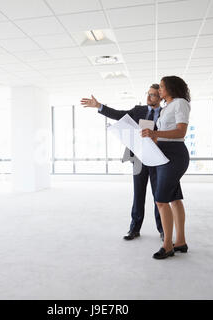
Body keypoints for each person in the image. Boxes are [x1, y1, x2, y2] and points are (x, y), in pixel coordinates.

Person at [80, 84, 164, 241]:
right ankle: (134, 229)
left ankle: (163, 230)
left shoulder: (165, 114)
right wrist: (99, 106)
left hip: (157, 160)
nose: (148, 97)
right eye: (148, 94)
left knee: (159, 197)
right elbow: (118, 114)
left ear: (160, 97)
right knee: (138, 195)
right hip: (139, 159)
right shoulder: (138, 110)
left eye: (152, 95)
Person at [141, 76, 191, 260]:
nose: (159, 90)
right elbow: (164, 134)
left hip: (175, 154)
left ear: (171, 87)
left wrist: (156, 133)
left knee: (161, 200)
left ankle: (167, 245)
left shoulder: (180, 103)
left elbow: (181, 131)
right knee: (174, 198)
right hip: (163, 154)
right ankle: (181, 242)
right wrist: (153, 138)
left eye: (162, 87)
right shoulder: (166, 108)